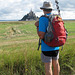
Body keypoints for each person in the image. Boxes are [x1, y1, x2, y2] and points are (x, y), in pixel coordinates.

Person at [35, 1, 60, 75]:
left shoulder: (43, 19)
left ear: (43, 9)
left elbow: (41, 35)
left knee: (48, 67)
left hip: (46, 47)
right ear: (51, 9)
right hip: (56, 45)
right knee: (56, 64)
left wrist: (37, 26)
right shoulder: (56, 17)